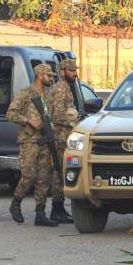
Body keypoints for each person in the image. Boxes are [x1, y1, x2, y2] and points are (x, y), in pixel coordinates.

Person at [6, 64, 59, 227]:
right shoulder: (26, 93)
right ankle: (16, 202)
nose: (51, 79)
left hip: (46, 141)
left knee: (44, 178)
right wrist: (29, 121)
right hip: (29, 141)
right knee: (29, 175)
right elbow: (11, 113)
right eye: (49, 76)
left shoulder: (49, 95)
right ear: (40, 75)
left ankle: (40, 213)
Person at [47, 59, 79, 224]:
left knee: (61, 172)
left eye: (75, 70)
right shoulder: (61, 89)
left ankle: (58, 209)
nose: (75, 73)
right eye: (71, 70)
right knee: (60, 172)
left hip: (64, 134)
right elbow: (58, 115)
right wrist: (75, 119)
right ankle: (56, 209)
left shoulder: (66, 87)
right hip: (61, 136)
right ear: (62, 71)